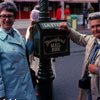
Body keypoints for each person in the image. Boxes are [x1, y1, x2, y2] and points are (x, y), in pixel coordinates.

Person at [59, 12, 100, 100]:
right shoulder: (92, 40)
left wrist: (98, 70)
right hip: (89, 87)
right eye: (92, 27)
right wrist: (68, 30)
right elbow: (80, 38)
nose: (95, 29)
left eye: (98, 26)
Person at [0, 2, 36, 100]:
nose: (6, 19)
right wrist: (1, 95)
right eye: (3, 16)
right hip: (12, 91)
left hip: (26, 85)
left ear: (14, 18)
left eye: (10, 16)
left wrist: (31, 37)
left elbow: (25, 52)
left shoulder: (16, 33)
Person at [26, 4, 56, 85]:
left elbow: (29, 46)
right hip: (41, 58)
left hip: (38, 59)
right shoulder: (32, 29)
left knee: (39, 76)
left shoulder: (31, 29)